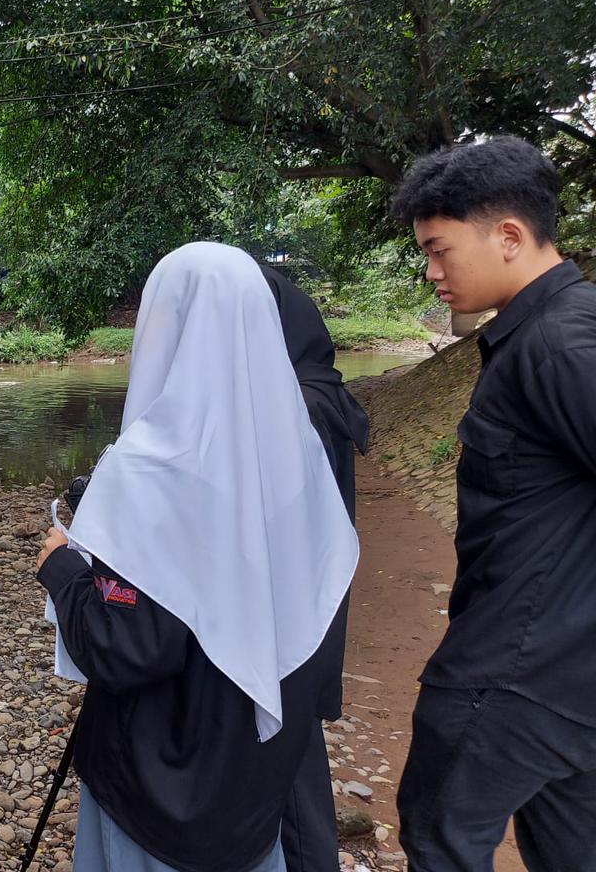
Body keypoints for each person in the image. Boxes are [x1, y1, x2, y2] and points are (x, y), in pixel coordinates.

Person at [37, 242, 361, 872]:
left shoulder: (154, 466)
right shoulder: (302, 451)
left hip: (160, 793)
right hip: (252, 775)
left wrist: (62, 567)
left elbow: (125, 648)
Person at [390, 136, 596, 870]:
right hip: (567, 677)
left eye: (440, 249)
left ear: (509, 236)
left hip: (512, 677)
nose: (430, 271)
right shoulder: (555, 330)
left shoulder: (560, 345)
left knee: (441, 843)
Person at [262, 267, 371, 872]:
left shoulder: (297, 408)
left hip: (286, 624)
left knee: (291, 768)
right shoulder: (317, 390)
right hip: (303, 616)